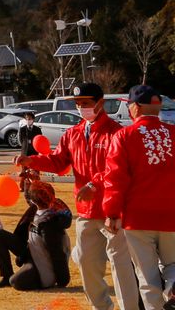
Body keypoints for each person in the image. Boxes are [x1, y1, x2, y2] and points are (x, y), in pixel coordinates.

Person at [18, 81, 140, 310]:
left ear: (100, 103)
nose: (81, 108)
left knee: (120, 265)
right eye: (77, 104)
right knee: (85, 262)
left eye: (85, 103)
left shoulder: (116, 133)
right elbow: (58, 161)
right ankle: (101, 307)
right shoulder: (72, 134)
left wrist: (94, 185)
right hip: (86, 213)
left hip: (114, 212)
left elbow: (120, 170)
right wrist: (31, 160)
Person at [102, 85, 175, 310]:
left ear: (136, 107)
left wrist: (112, 213)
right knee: (172, 263)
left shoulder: (124, 136)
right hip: (171, 214)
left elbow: (115, 178)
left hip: (138, 217)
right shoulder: (173, 133)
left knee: (147, 276)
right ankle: (173, 285)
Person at [0, 174, 72, 291]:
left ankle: (21, 275)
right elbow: (32, 196)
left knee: (16, 282)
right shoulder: (40, 209)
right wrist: (31, 182)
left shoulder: (48, 223)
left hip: (41, 262)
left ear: (34, 201)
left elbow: (56, 253)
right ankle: (6, 275)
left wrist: (62, 280)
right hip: (32, 250)